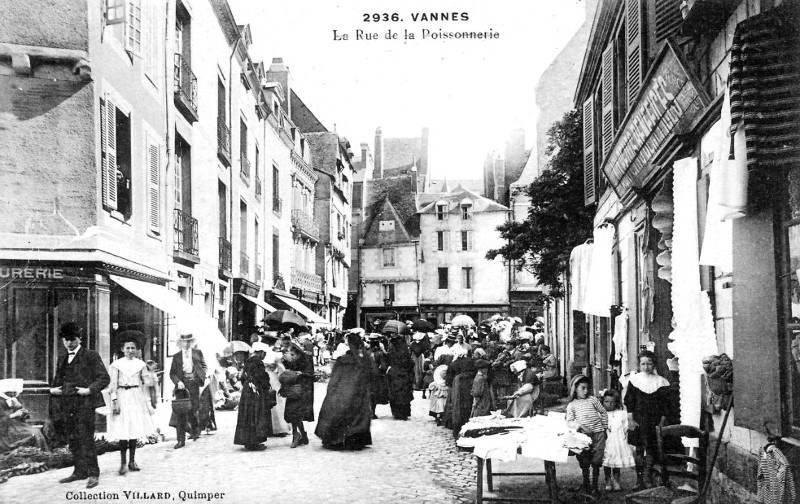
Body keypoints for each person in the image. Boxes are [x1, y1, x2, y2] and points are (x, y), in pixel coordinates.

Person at [50, 322, 110, 489]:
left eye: (72, 339)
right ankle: (79, 471)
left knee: (86, 438)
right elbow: (58, 379)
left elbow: (104, 378)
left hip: (84, 404)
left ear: (79, 339)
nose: (69, 343)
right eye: (66, 340)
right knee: (73, 439)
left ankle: (93, 473)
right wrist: (53, 389)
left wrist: (89, 390)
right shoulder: (62, 358)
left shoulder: (91, 355)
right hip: (66, 403)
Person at [107, 332, 156, 475]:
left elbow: (147, 382)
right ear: (122, 349)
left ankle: (132, 461)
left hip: (135, 396)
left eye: (133, 348)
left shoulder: (140, 364)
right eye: (127, 348)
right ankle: (122, 462)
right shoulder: (116, 365)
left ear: (137, 349)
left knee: (134, 427)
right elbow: (113, 384)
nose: (130, 351)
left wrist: (150, 374)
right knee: (123, 429)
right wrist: (114, 400)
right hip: (122, 396)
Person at [624, 350, 673, 490]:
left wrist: (662, 422)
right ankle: (639, 479)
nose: (646, 367)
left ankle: (647, 478)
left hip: (654, 421)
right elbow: (629, 402)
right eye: (643, 364)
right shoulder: (634, 380)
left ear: (654, 364)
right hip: (638, 420)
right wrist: (631, 420)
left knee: (651, 450)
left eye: (649, 364)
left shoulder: (662, 382)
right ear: (639, 365)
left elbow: (666, 406)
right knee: (638, 449)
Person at [316, 333, 373, 450]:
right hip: (359, 391)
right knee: (358, 415)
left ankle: (337, 440)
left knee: (337, 412)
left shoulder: (342, 360)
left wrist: (331, 390)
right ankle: (355, 440)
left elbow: (335, 378)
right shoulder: (365, 358)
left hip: (342, 391)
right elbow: (372, 374)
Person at [566, 374, 608, 497]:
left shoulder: (593, 400)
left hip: (598, 434)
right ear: (575, 389)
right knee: (585, 460)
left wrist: (604, 428)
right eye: (582, 388)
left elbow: (603, 412)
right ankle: (587, 484)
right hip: (583, 437)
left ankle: (595, 486)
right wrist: (581, 427)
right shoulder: (572, 405)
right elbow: (569, 421)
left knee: (596, 460)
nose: (585, 391)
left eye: (587, 388)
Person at [168, 333, 207, 449]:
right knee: (180, 412)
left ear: (191, 342)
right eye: (184, 342)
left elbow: (204, 366)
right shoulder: (176, 356)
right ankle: (180, 440)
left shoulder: (197, 353)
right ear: (181, 343)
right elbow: (172, 373)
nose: (186, 344)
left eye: (188, 341)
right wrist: (178, 382)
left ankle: (194, 430)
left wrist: (200, 375)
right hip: (182, 385)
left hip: (193, 384)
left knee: (193, 409)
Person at [234, 342, 273, 451]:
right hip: (256, 391)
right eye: (264, 353)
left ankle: (247, 440)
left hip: (247, 390)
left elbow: (242, 377)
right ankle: (254, 442)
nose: (264, 356)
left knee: (247, 415)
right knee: (257, 415)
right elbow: (262, 377)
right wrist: (267, 385)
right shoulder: (258, 362)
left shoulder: (248, 361)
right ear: (260, 352)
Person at [0, 378, 49, 453]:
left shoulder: (14, 400)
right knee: (33, 434)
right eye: (10, 392)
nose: (13, 394)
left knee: (36, 432)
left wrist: (21, 410)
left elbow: (23, 418)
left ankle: (42, 454)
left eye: (14, 392)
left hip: (17, 426)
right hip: (5, 431)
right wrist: (12, 415)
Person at [282, 341, 314, 448]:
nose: (291, 357)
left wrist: (302, 374)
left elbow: (311, 375)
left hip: (302, 391)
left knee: (296, 413)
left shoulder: (307, 361)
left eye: (293, 355)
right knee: (293, 413)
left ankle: (296, 435)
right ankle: (301, 434)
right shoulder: (295, 362)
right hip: (293, 390)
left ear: (298, 354)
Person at [601, 389, 635, 491]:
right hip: (606, 441)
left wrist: (624, 437)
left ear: (616, 403)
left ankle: (616, 481)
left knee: (616, 463)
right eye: (606, 402)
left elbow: (626, 427)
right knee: (607, 462)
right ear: (602, 402)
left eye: (612, 402)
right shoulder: (601, 414)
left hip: (618, 441)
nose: (609, 404)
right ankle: (608, 481)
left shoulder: (621, 414)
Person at [262, 333, 291, 436]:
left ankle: (265, 428)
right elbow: (281, 368)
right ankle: (279, 427)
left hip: (261, 376)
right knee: (277, 400)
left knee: (263, 401)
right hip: (272, 376)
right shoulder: (275, 354)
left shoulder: (260, 352)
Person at [446, 346, 477, 437]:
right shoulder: (471, 361)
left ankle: (458, 429)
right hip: (470, 387)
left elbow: (448, 380)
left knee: (458, 408)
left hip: (458, 389)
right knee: (469, 406)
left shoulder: (454, 364)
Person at [385, 333, 414, 420]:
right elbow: (410, 362)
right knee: (404, 394)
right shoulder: (405, 350)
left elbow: (388, 360)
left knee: (394, 393)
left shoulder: (391, 349)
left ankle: (396, 413)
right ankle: (404, 413)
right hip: (404, 374)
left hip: (394, 373)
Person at [367, 335, 390, 418]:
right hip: (377, 375)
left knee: (368, 393)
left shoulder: (367, 352)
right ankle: (372, 412)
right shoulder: (380, 353)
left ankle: (368, 412)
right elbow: (383, 366)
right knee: (374, 394)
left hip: (367, 375)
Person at [428, 355, 452, 425]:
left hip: (437, 399)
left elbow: (430, 387)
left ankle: (438, 417)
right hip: (445, 398)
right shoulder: (446, 385)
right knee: (444, 406)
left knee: (438, 407)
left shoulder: (436, 383)